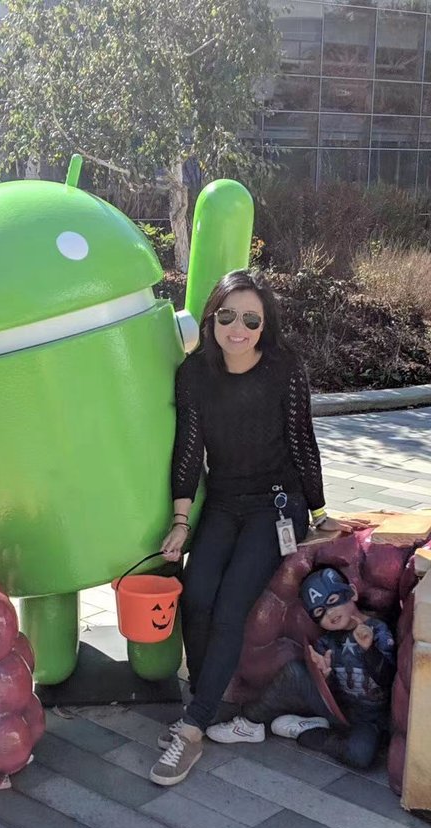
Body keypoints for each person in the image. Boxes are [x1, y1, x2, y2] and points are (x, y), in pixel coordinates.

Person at [149, 269, 360, 786]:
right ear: (212, 318)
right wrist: (180, 521)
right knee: (195, 595)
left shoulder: (283, 369)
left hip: (276, 504)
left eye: (251, 319)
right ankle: (208, 703)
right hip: (222, 502)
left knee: (229, 604)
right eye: (227, 316)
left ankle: (192, 730)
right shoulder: (195, 373)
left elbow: (301, 440)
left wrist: (317, 511)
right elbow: (188, 451)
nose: (237, 328)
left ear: (264, 325)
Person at [206, 566, 396, 770]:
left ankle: (307, 730)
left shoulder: (378, 630)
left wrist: (370, 650)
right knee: (294, 672)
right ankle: (249, 723)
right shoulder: (327, 642)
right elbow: (334, 692)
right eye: (320, 612)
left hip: (370, 718)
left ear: (352, 592)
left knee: (360, 755)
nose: (330, 613)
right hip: (339, 709)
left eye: (333, 601)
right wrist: (324, 675)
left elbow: (388, 680)